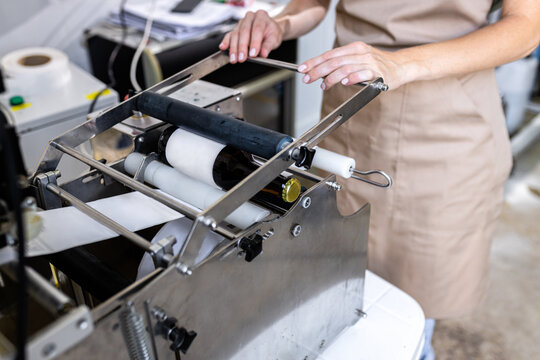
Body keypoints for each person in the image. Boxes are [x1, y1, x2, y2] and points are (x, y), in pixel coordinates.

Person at [219, 1, 540, 358]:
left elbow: (526, 28)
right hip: (352, 121)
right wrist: (281, 24)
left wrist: (401, 61)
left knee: (406, 316)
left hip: (444, 131)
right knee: (333, 288)